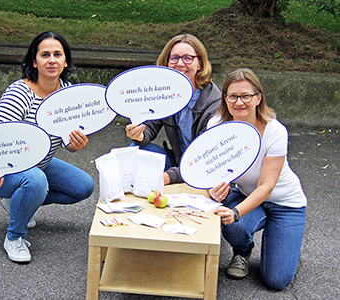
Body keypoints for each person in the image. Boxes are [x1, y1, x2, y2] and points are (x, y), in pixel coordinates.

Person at [0, 31, 94, 263]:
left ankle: (17, 202)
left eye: (58, 54)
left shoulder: (67, 93)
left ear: (65, 61)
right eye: (44, 54)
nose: (52, 60)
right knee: (36, 180)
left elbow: (66, 141)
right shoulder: (19, 92)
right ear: (34, 61)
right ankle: (14, 237)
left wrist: (75, 145)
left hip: (38, 165)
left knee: (83, 186)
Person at [208, 68, 307, 290]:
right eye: (232, 96)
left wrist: (235, 212)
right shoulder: (216, 125)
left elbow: (267, 186)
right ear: (225, 98)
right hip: (244, 193)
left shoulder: (275, 131)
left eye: (246, 96)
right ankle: (243, 251)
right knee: (234, 226)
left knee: (276, 281)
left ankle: (285, 244)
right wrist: (213, 189)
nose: (239, 102)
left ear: (258, 98)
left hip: (285, 203)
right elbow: (213, 172)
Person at [125, 34, 221, 185]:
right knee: (135, 150)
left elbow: (205, 159)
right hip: (178, 161)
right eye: (174, 58)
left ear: (200, 64)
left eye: (188, 58)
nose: (180, 64)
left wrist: (168, 177)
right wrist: (140, 134)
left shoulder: (214, 104)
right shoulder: (167, 94)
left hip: (206, 168)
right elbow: (150, 125)